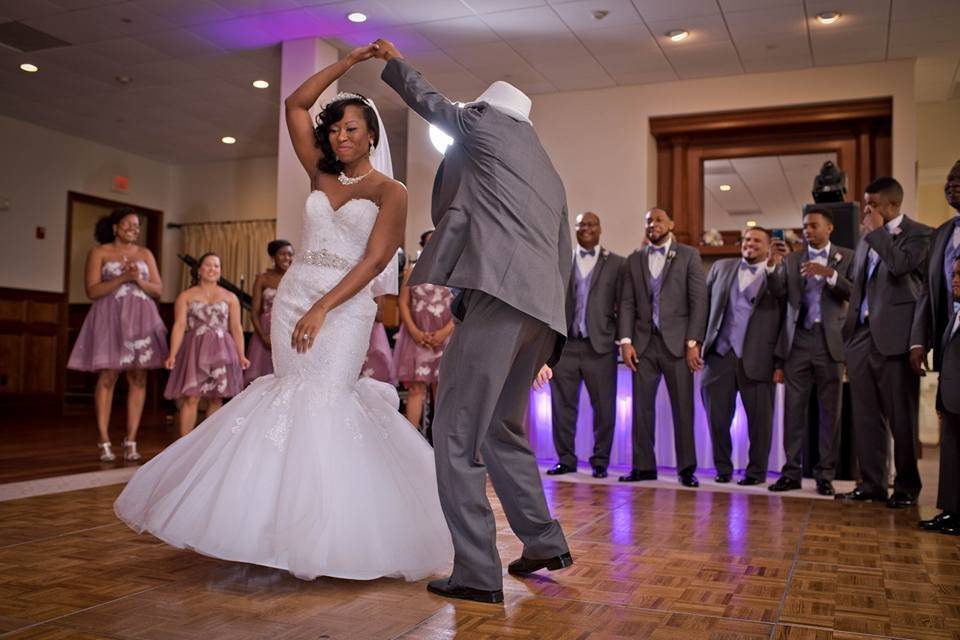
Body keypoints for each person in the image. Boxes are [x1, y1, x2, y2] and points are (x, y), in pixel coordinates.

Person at [115, 44, 453, 583]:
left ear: (371, 136)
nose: (341, 137)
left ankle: (330, 535)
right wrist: (348, 64)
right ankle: (273, 532)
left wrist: (324, 306)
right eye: (336, 129)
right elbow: (295, 106)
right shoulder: (319, 174)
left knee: (325, 398)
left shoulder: (391, 191)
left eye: (351, 129)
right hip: (293, 298)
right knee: (287, 400)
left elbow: (374, 260)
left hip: (341, 308)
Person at [378, 37, 572, 604]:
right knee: (501, 428)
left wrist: (392, 61)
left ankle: (476, 571)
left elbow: (431, 101)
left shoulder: (484, 124)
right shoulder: (548, 169)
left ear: (489, 106)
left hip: (499, 300)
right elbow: (562, 255)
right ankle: (543, 540)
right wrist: (550, 343)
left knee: (455, 434)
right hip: (542, 314)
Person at [838, 177, 932, 508]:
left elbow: (901, 266)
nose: (867, 210)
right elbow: (857, 285)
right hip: (861, 337)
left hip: (895, 338)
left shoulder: (920, 234)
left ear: (892, 205)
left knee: (901, 417)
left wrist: (878, 232)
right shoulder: (867, 239)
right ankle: (872, 484)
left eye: (873, 204)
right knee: (865, 416)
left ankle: (906, 488)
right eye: (867, 204)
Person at [68, 207, 167, 462]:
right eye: (128, 225)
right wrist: (124, 277)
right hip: (109, 319)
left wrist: (138, 280)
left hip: (141, 320)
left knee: (139, 378)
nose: (133, 229)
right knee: (109, 376)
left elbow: (157, 290)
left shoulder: (145, 253)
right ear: (115, 227)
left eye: (137, 226)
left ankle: (131, 438)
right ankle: (103, 438)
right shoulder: (99, 252)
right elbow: (92, 290)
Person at [619, 208, 707, 488]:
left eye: (658, 220)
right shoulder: (635, 259)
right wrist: (626, 341)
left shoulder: (688, 255)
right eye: (648, 221)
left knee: (683, 407)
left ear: (671, 223)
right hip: (643, 345)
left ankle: (686, 469)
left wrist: (693, 342)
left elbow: (699, 302)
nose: (652, 224)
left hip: (678, 346)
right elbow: (628, 303)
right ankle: (643, 467)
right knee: (641, 409)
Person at [770, 209, 854, 496]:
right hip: (798, 342)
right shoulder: (793, 259)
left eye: (814, 226)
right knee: (793, 411)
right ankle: (791, 472)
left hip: (831, 342)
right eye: (805, 226)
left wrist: (831, 275)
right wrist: (774, 264)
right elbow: (778, 293)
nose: (808, 230)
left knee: (830, 413)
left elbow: (855, 294)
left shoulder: (848, 257)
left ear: (829, 228)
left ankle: (825, 475)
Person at [701, 227, 787, 486]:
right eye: (747, 239)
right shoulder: (721, 267)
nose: (750, 244)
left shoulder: (778, 273)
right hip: (720, 354)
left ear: (768, 246)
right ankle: (723, 468)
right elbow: (704, 306)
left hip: (759, 358)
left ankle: (756, 472)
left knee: (760, 422)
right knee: (717, 418)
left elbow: (784, 306)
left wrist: (772, 266)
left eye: (757, 240)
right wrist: (695, 343)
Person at [545, 211, 623, 479]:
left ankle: (600, 461)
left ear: (600, 228)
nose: (586, 228)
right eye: (581, 225)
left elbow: (624, 306)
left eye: (591, 224)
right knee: (562, 407)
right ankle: (565, 459)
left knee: (604, 408)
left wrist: (623, 339)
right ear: (575, 230)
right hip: (566, 345)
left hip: (600, 347)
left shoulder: (617, 264)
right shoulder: (562, 261)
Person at [913, 161, 960, 532]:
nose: (952, 185)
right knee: (953, 428)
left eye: (959, 180)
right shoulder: (941, 234)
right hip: (951, 339)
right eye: (950, 179)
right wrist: (920, 341)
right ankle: (951, 508)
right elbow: (928, 294)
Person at [163, 252, 249, 436]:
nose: (213, 269)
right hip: (195, 348)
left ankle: (207, 444)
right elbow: (179, 326)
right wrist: (172, 354)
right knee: (192, 396)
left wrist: (241, 354)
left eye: (216, 266)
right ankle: (183, 445)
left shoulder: (230, 297)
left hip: (222, 349)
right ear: (199, 270)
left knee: (216, 397)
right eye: (208, 265)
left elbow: (236, 327)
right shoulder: (186, 296)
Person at [393, 229, 454, 428]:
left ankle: (441, 440)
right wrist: (414, 332)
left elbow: (461, 305)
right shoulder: (413, 271)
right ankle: (411, 439)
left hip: (445, 335)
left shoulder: (453, 270)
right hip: (417, 334)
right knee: (416, 388)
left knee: (442, 389)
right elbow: (403, 303)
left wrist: (445, 331)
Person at [918, 258, 960, 534]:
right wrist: (941, 399)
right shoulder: (955, 314)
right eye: (955, 273)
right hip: (952, 396)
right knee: (951, 458)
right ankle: (951, 511)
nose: (955, 279)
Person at [244, 239, 293, 385]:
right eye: (282, 254)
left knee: (285, 379)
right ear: (273, 257)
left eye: (290, 254)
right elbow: (254, 312)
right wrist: (263, 337)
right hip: (266, 331)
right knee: (262, 381)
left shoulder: (295, 277)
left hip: (288, 329)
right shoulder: (263, 278)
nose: (287, 258)